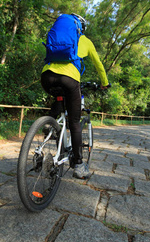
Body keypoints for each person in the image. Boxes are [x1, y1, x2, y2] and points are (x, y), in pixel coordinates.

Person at [41, 13, 110, 179]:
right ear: (81, 28)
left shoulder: (59, 36)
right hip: (69, 79)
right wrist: (104, 83)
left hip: (47, 76)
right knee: (74, 122)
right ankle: (79, 165)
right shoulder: (84, 41)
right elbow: (98, 65)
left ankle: (49, 123)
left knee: (59, 98)